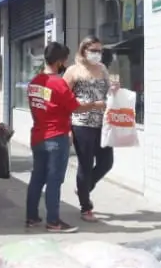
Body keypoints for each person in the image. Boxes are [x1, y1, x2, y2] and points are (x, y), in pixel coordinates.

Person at [26, 41, 105, 233]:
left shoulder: (35, 82)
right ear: (60, 61)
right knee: (54, 180)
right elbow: (76, 107)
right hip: (56, 138)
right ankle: (53, 222)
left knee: (37, 178)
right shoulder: (59, 84)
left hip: (38, 136)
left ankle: (31, 217)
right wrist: (96, 104)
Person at [64, 36, 113, 222]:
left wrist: (114, 90)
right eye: (93, 50)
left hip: (103, 124)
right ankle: (86, 207)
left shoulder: (102, 69)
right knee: (85, 164)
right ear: (83, 50)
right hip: (81, 123)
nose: (97, 54)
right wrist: (67, 127)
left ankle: (84, 188)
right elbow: (64, 100)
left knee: (106, 162)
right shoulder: (73, 71)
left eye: (99, 50)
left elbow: (109, 90)